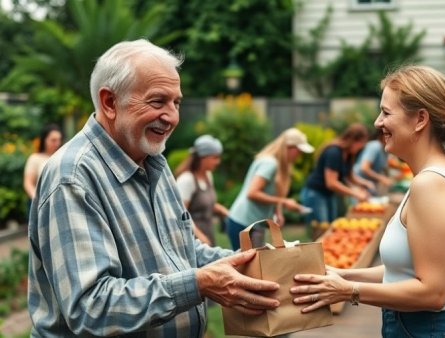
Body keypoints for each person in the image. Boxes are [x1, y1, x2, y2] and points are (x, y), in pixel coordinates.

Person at [27, 39, 280, 337]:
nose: (172, 117)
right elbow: (91, 307)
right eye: (158, 101)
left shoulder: (152, 160)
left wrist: (254, 264)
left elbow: (181, 250)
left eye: (176, 103)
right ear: (110, 102)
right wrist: (199, 283)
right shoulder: (72, 177)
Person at [290, 65, 445, 337]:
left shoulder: (430, 184)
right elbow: (402, 271)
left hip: (431, 329)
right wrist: (344, 275)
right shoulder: (436, 175)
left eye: (386, 112)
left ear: (420, 119)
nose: (377, 123)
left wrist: (348, 292)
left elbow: (433, 292)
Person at [226, 128, 314, 250]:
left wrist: (278, 212)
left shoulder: (277, 164)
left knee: (256, 264)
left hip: (255, 224)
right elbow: (252, 193)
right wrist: (283, 202)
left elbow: (273, 191)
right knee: (246, 266)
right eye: (299, 151)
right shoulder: (270, 163)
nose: (300, 155)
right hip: (243, 223)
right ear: (289, 147)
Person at [300, 123, 371, 232]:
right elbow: (331, 183)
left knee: (331, 227)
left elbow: (349, 175)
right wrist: (355, 193)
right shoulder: (334, 152)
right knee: (321, 230)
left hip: (328, 194)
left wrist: (364, 183)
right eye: (361, 143)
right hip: (316, 193)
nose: (361, 147)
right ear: (353, 140)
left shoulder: (348, 154)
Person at [174, 134, 229, 246]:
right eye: (215, 158)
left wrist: (226, 212)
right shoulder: (186, 180)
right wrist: (200, 236)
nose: (218, 162)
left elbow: (207, 205)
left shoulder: (208, 176)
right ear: (203, 157)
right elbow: (180, 214)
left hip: (208, 234)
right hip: (193, 241)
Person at [22, 123, 63, 210]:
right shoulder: (35, 158)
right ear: (44, 140)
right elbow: (28, 183)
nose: (57, 143)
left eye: (59, 140)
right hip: (39, 204)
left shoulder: (62, 156)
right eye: (53, 140)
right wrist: (38, 200)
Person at [353, 128, 392, 196]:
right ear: (381, 135)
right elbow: (364, 168)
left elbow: (385, 166)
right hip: (359, 183)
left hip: (369, 185)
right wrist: (381, 178)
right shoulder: (375, 146)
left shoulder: (385, 149)